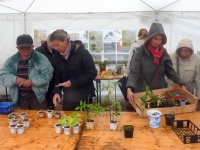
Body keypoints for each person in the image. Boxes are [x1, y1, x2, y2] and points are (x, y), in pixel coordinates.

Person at [126, 22, 186, 102]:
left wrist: (181, 83)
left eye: (160, 39)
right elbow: (134, 72)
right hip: (143, 93)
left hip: (160, 94)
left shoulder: (163, 53)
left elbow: (170, 71)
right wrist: (129, 88)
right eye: (155, 38)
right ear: (150, 38)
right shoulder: (140, 52)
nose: (157, 42)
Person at [0, 34, 54, 110]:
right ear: (17, 48)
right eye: (22, 49)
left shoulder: (41, 59)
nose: (26, 52)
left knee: (39, 118)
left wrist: (32, 81)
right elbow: (2, 75)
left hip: (38, 96)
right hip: (20, 96)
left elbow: (48, 73)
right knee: (23, 119)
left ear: (33, 46)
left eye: (28, 48)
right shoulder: (11, 61)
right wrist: (15, 79)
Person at [50, 30, 97, 110]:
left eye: (57, 45)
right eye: (53, 46)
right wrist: (56, 92)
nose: (56, 48)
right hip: (69, 98)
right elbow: (57, 77)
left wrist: (73, 82)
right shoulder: (57, 56)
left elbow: (92, 73)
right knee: (68, 120)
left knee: (84, 121)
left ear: (65, 41)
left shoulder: (82, 53)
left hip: (84, 96)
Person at [35, 34, 57, 109]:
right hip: (42, 83)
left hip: (53, 83)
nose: (55, 46)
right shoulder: (38, 51)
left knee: (51, 106)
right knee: (42, 106)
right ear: (48, 41)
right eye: (53, 44)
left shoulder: (56, 51)